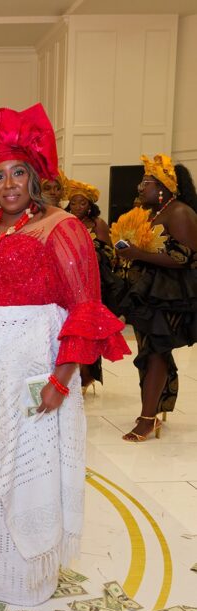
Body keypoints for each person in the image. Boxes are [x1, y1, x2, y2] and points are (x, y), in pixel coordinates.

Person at [0, 103, 130, 605]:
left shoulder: (62, 226)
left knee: (29, 469)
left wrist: (60, 379)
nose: (9, 184)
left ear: (34, 177)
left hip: (32, 369)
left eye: (18, 173)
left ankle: (26, 578)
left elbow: (84, 307)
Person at [115, 154, 197, 441]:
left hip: (171, 294)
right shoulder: (154, 212)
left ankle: (148, 419)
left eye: (146, 182)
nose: (140, 187)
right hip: (151, 292)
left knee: (156, 352)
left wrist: (137, 254)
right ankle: (153, 409)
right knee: (150, 351)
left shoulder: (179, 212)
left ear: (163, 187)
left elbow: (185, 258)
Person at [66, 178, 121, 391]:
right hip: (67, 282)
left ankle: (87, 376)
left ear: (90, 205)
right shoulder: (62, 220)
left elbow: (109, 253)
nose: (78, 207)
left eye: (82, 203)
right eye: (74, 202)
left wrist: (88, 253)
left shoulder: (97, 224)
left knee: (88, 330)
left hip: (90, 284)